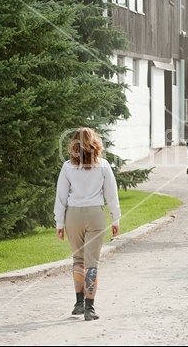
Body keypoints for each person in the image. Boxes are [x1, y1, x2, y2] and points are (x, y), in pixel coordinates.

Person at [53, 127, 121, 321]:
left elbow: (61, 197)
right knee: (92, 264)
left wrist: (59, 222)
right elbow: (112, 195)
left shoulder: (67, 167)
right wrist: (115, 219)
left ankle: (78, 303)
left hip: (73, 216)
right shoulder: (104, 166)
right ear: (96, 144)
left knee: (78, 260)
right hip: (95, 215)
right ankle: (90, 309)